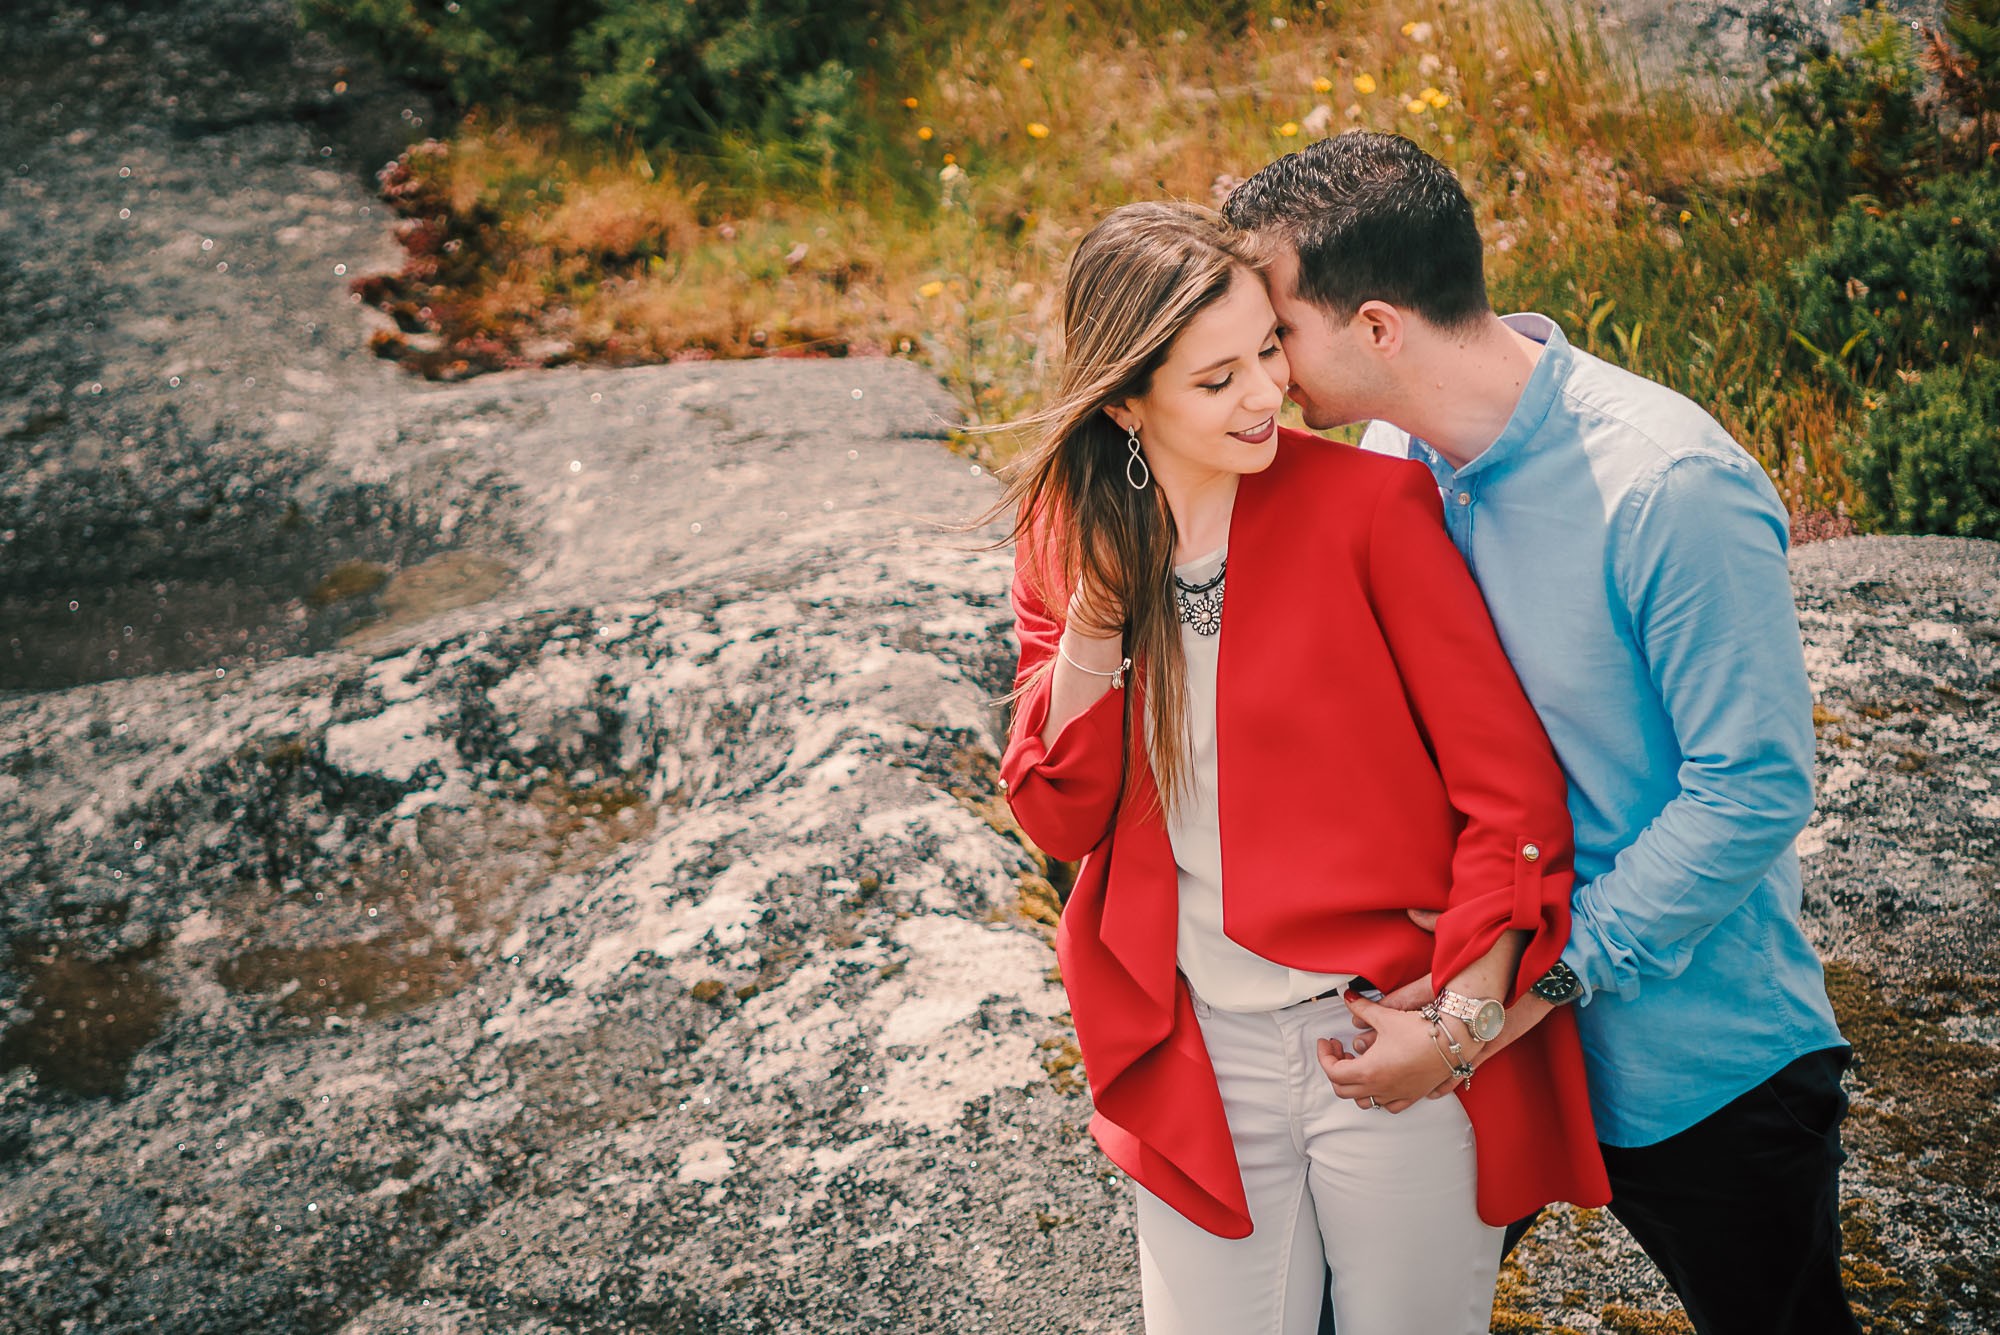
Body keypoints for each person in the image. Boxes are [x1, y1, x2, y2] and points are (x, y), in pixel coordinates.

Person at [1222, 131, 1860, 1335]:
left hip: (1692, 1063)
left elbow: (1751, 790)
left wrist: (1509, 1002)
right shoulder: (1386, 460)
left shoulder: (1666, 485)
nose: (1262, 374)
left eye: (1275, 334)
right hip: (1477, 1041)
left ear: (1372, 328)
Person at [993, 199, 1608, 1335]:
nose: (1266, 394)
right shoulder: (1062, 536)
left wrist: (1465, 1018)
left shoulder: (1369, 507)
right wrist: (1096, 619)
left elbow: (1507, 792)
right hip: (1189, 1045)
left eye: (1266, 350)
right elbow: (1058, 814)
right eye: (1214, 379)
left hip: (1377, 1029)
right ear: (1125, 403)